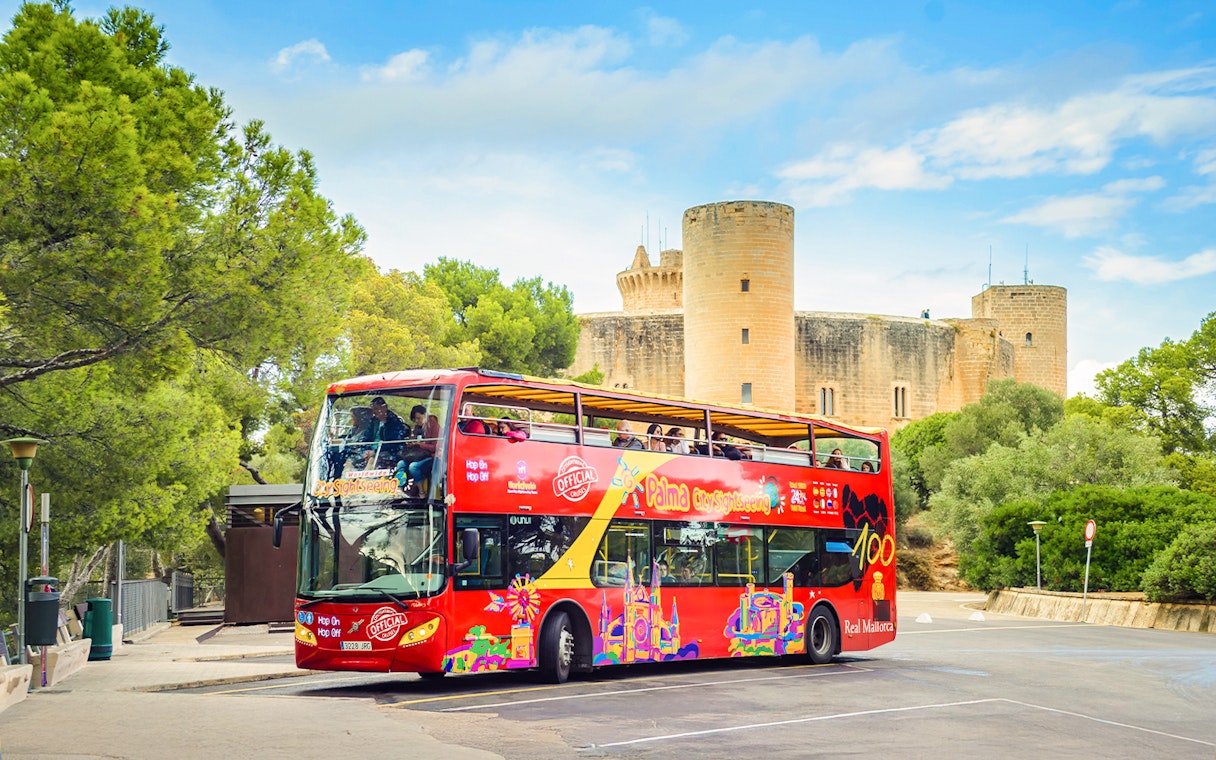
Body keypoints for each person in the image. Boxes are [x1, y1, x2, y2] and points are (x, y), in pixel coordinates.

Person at [406, 413, 441, 496]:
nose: (417, 421)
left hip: (432, 457)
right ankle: (399, 491)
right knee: (401, 463)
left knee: (413, 467)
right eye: (415, 420)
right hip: (418, 455)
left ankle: (421, 492)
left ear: (425, 415)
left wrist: (419, 444)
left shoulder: (435, 427)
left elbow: (435, 447)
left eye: (419, 418)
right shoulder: (417, 428)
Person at [370, 397, 408, 468]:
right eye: (372, 410)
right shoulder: (373, 422)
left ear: (385, 408)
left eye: (376, 409)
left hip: (391, 452)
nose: (374, 413)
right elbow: (366, 437)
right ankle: (344, 477)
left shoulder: (395, 423)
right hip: (373, 451)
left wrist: (375, 451)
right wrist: (366, 449)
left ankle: (366, 478)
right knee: (351, 460)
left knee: (373, 460)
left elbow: (394, 442)